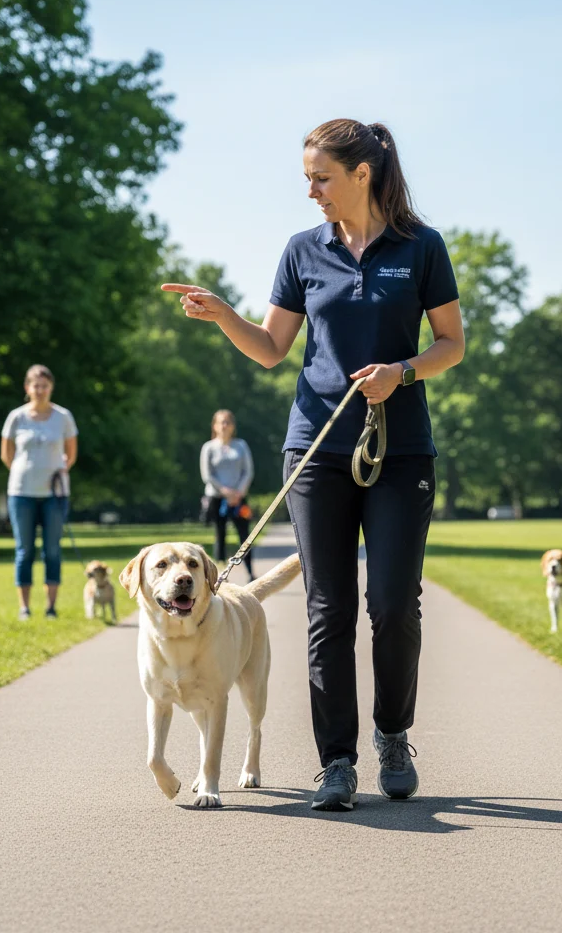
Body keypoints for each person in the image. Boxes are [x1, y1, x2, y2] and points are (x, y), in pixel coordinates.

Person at [162, 119, 464, 812]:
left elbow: (451, 343)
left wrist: (402, 372)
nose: (311, 191)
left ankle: (393, 735)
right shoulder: (303, 250)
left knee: (393, 604)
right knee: (328, 607)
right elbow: (272, 348)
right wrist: (224, 315)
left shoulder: (421, 247)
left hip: (400, 449)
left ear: (362, 174)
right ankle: (337, 762)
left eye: (321, 178)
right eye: (308, 179)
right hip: (316, 450)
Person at [0, 364, 78, 620]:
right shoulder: (16, 417)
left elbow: (71, 454)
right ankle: (24, 607)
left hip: (55, 494)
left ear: (51, 388)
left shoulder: (63, 417)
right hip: (21, 493)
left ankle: (50, 607)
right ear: (27, 388)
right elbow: (7, 455)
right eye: (36, 385)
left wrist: (58, 470)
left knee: (52, 550)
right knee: (24, 550)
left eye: (45, 386)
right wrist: (25, 472)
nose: (40, 390)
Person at [200, 409, 256, 581]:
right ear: (215, 426)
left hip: (239, 498)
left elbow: (248, 471)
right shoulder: (209, 447)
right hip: (217, 498)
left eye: (227, 422)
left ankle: (250, 573)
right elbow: (207, 475)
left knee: (245, 536)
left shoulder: (241, 446)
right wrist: (225, 492)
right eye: (221, 422)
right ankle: (220, 574)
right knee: (220, 535)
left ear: (233, 426)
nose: (224, 426)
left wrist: (238, 492)